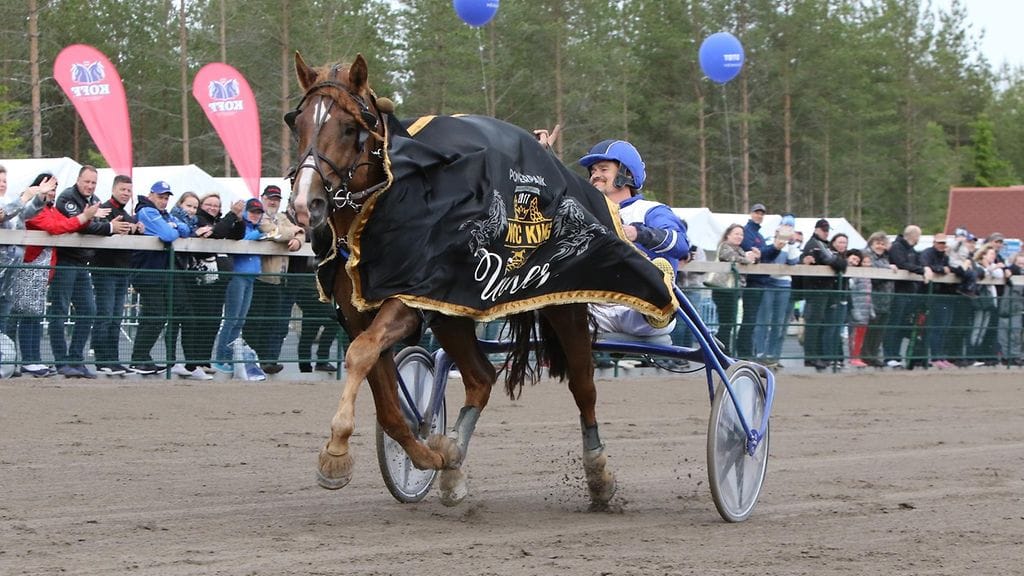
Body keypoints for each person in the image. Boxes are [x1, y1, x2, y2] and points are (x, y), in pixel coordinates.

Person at [576, 139, 690, 342]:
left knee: (647, 300)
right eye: (593, 171)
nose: (595, 176)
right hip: (598, 308)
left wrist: (639, 234)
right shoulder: (587, 214)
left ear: (626, 173)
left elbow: (681, 244)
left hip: (639, 309)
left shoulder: (650, 210)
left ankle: (658, 305)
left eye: (603, 169)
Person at [50, 165, 133, 378]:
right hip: (65, 262)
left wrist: (102, 223)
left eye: (93, 182)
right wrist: (109, 227)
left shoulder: (93, 200)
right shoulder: (67, 198)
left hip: (81, 263)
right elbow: (81, 225)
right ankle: (61, 361)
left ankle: (76, 359)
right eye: (86, 181)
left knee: (88, 311)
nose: (90, 186)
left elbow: (95, 223)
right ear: (78, 180)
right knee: (59, 311)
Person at [17, 174, 102, 377]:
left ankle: (35, 361)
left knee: (33, 313)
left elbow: (68, 223)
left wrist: (88, 219)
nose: (52, 193)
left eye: (54, 188)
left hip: (43, 268)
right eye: (48, 188)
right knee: (25, 314)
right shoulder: (34, 209)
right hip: (29, 267)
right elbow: (57, 227)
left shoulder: (50, 209)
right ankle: (28, 361)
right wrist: (85, 217)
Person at [128, 181, 191, 374]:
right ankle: (138, 357)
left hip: (159, 272)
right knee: (156, 315)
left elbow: (185, 229)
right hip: (147, 271)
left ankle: (142, 357)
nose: (163, 201)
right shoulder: (147, 211)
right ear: (151, 195)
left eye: (166, 198)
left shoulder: (164, 214)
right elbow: (168, 234)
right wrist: (172, 227)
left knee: (157, 314)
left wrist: (173, 226)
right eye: (160, 197)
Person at [242, 185, 304, 375]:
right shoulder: (261, 215)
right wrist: (290, 233)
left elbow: (300, 231)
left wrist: (298, 239)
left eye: (276, 199)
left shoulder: (282, 217)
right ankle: (252, 360)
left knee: (275, 322)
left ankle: (269, 360)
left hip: (279, 279)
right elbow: (271, 231)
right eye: (270, 198)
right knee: (255, 322)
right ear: (263, 197)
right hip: (261, 278)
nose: (273, 202)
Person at [160, 191, 215, 380]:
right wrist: (193, 233)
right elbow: (174, 234)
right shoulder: (171, 218)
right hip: (172, 271)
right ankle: (177, 362)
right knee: (182, 317)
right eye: (188, 205)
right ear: (180, 204)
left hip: (186, 272)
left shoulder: (193, 222)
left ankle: (187, 364)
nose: (191, 210)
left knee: (182, 319)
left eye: (194, 207)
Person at [90, 175, 141, 375]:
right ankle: (102, 359)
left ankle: (113, 359)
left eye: (129, 190)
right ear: (113, 189)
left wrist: (137, 229)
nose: (126, 194)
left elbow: (131, 228)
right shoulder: (104, 209)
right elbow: (95, 229)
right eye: (123, 190)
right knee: (105, 315)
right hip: (105, 270)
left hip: (122, 271)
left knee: (116, 317)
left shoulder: (125, 214)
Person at [212, 198, 265, 377]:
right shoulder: (242, 226)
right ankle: (221, 357)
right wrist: (258, 235)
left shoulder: (258, 228)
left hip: (250, 277)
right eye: (252, 211)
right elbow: (240, 240)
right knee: (232, 319)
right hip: (237, 276)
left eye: (258, 212)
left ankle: (230, 356)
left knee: (239, 320)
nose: (255, 215)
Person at [799, 219, 847, 370]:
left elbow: (836, 261)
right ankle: (811, 357)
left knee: (818, 323)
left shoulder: (821, 244)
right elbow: (835, 261)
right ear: (817, 229)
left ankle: (815, 356)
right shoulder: (816, 244)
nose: (826, 232)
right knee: (814, 323)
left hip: (821, 288)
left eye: (827, 230)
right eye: (824, 229)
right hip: (817, 289)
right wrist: (839, 263)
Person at [752, 224, 799, 366]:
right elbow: (766, 257)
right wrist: (776, 246)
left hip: (784, 285)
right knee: (763, 321)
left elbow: (793, 261)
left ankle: (773, 355)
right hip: (768, 283)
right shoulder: (768, 242)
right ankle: (760, 353)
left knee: (778, 323)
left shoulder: (791, 247)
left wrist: (790, 244)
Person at [885, 225, 930, 369]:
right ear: (914, 236)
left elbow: (917, 262)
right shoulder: (897, 247)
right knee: (894, 324)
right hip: (899, 292)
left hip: (909, 292)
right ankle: (889, 355)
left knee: (901, 325)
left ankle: (896, 355)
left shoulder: (911, 250)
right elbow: (902, 264)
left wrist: (925, 268)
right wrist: (922, 270)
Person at [709, 224, 757, 354]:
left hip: (733, 290)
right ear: (728, 235)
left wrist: (751, 258)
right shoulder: (725, 247)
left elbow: (744, 260)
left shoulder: (740, 250)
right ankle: (721, 349)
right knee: (726, 322)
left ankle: (721, 349)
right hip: (723, 290)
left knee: (729, 322)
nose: (739, 237)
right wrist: (748, 259)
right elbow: (731, 258)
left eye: (741, 234)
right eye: (736, 233)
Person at [736, 203, 776, 359]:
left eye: (762, 213)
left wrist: (774, 248)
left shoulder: (758, 235)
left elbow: (763, 255)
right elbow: (751, 251)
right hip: (752, 281)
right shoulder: (748, 232)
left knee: (751, 319)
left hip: (759, 280)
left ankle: (747, 350)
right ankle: (744, 352)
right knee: (749, 318)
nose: (759, 215)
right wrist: (772, 248)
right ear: (751, 213)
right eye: (757, 212)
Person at [919, 233, 956, 369]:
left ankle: (940, 356)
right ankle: (934, 357)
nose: (942, 245)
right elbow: (925, 265)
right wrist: (942, 269)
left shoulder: (946, 257)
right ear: (934, 242)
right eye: (939, 243)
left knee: (943, 328)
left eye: (944, 243)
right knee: (936, 328)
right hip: (933, 295)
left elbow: (953, 268)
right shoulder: (927, 254)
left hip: (945, 295)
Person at [847, 249, 874, 368]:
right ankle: (853, 357)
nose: (867, 265)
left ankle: (858, 356)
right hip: (857, 309)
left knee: (861, 335)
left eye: (869, 263)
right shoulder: (857, 275)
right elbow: (852, 291)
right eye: (864, 262)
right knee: (855, 335)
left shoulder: (868, 277)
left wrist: (871, 309)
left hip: (866, 310)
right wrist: (854, 310)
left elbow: (869, 294)